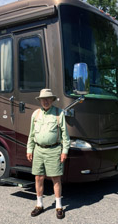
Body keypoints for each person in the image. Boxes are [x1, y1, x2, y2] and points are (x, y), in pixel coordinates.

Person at [26, 89, 70, 219]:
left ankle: (58, 206)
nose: (45, 101)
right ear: (39, 100)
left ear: (52, 100)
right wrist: (30, 149)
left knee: (55, 178)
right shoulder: (35, 114)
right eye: (43, 99)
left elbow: (65, 135)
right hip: (38, 150)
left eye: (48, 99)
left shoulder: (59, 113)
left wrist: (64, 151)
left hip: (54, 150)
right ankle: (39, 205)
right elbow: (31, 134)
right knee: (38, 178)